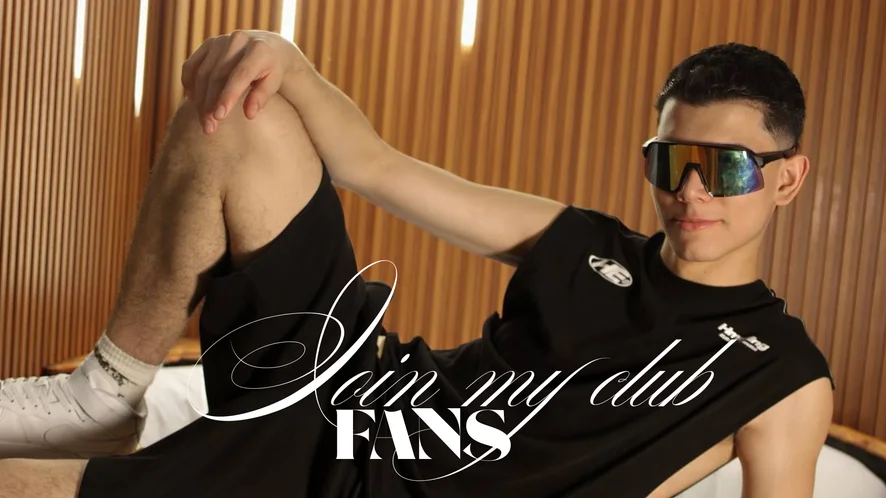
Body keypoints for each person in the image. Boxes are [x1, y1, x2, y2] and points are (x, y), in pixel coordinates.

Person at [0, 29, 834, 498]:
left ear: (788, 179)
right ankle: (105, 393)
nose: (690, 191)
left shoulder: (783, 375)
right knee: (242, 110)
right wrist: (287, 58)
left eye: (725, 168)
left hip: (377, 492)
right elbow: (375, 165)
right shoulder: (583, 241)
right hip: (345, 392)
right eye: (670, 161)